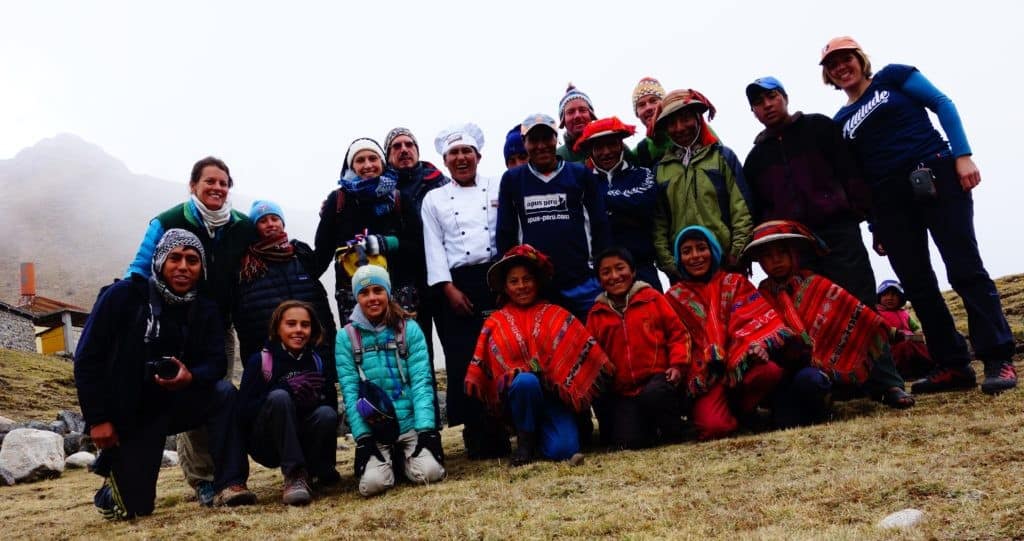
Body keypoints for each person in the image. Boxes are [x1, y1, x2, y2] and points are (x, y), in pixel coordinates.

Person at [821, 36, 1016, 394]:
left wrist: (962, 154)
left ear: (860, 59)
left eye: (846, 59)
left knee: (964, 267)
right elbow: (858, 175)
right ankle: (952, 365)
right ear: (828, 76)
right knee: (918, 284)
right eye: (832, 65)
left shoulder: (893, 77)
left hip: (935, 175)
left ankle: (997, 357)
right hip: (888, 200)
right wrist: (875, 223)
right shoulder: (841, 121)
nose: (840, 67)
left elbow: (942, 103)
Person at [76, 229, 254, 519]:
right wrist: (98, 419)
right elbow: (87, 360)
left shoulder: (205, 308)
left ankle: (231, 483)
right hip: (132, 412)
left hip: (177, 402)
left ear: (201, 269)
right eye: (175, 258)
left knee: (223, 393)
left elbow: (216, 362)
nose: (183, 266)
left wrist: (191, 376)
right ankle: (113, 487)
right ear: (159, 261)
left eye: (192, 260)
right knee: (135, 510)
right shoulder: (123, 296)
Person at [125, 156, 255, 506]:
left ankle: (227, 476)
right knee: (181, 396)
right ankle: (203, 480)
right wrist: (124, 311)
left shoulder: (241, 225)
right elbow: (139, 270)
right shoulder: (167, 221)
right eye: (209, 181)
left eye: (223, 183)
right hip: (170, 323)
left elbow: (264, 246)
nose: (217, 188)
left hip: (218, 326)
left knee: (216, 394)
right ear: (193, 185)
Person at [744, 220, 915, 426]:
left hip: (814, 368)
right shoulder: (760, 296)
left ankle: (825, 397)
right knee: (784, 419)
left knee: (811, 383)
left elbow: (853, 313)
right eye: (768, 256)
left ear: (793, 254)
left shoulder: (816, 284)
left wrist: (890, 331)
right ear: (760, 262)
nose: (776, 260)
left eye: (781, 253)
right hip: (782, 369)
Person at [465, 245, 613, 465]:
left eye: (527, 279)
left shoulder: (558, 315)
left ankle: (547, 436)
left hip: (555, 400)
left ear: (537, 282)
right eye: (514, 281)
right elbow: (488, 372)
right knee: (525, 381)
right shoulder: (495, 323)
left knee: (564, 449)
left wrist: (571, 392)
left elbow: (591, 357)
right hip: (519, 400)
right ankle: (525, 440)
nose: (521, 286)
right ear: (505, 287)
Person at [742, 76, 876, 307]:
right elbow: (759, 210)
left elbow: (851, 173)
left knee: (859, 301)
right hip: (795, 247)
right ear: (753, 111)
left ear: (785, 97)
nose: (767, 104)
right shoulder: (755, 160)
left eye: (772, 96)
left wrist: (857, 214)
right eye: (758, 102)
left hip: (839, 234)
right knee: (813, 310)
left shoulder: (819, 127)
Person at [421, 123, 509, 458]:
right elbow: (434, 246)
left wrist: (505, 282)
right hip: (457, 286)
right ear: (445, 161)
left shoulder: (497, 186)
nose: (461, 158)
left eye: (466, 152)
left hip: (495, 278)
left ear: (478, 156)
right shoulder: (434, 199)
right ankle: (477, 431)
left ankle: (505, 422)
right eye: (454, 153)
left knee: (500, 353)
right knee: (464, 359)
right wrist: (447, 288)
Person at [662, 226, 787, 441]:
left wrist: (755, 347)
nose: (695, 256)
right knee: (715, 428)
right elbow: (674, 340)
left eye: (701, 248)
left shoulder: (735, 283)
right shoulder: (673, 297)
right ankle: (720, 412)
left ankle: (744, 409)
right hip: (703, 376)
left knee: (769, 371)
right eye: (687, 251)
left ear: (713, 250)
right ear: (679, 258)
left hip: (738, 365)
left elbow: (754, 322)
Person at [335, 265, 444, 497]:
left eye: (378, 290)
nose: (372, 298)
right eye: (364, 293)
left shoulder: (410, 329)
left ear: (388, 293)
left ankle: (405, 459)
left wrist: (427, 432)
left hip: (410, 425)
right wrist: (364, 440)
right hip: (375, 431)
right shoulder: (345, 337)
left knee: (430, 473)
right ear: (356, 297)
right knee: (372, 486)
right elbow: (350, 391)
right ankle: (386, 461)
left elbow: (422, 383)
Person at [496, 113, 610, 321]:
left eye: (546, 138)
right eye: (534, 140)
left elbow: (600, 225)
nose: (541, 146)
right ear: (525, 143)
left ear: (556, 139)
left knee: (592, 346)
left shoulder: (580, 174)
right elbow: (505, 233)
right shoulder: (512, 180)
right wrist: (510, 283)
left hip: (583, 284)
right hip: (538, 290)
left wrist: (600, 271)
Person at [237, 300, 339, 506]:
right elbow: (243, 413)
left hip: (302, 437)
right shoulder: (261, 361)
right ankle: (294, 476)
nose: (299, 330)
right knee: (279, 397)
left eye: (305, 324)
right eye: (291, 324)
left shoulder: (317, 361)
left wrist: (312, 400)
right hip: (266, 443)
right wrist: (285, 389)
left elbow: (331, 408)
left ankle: (318, 470)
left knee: (327, 413)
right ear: (277, 327)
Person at [585, 247, 689, 449]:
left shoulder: (653, 298)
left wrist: (677, 365)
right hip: (625, 392)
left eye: (619, 268)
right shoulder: (596, 314)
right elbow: (593, 354)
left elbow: (678, 333)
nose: (614, 276)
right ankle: (648, 429)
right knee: (628, 442)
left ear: (632, 271)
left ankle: (674, 429)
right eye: (606, 272)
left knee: (655, 395)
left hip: (660, 380)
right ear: (599, 279)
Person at [650, 89, 754, 281]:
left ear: (698, 119)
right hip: (683, 270)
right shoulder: (660, 170)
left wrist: (736, 253)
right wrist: (670, 264)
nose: (680, 128)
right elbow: (659, 223)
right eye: (672, 123)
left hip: (726, 263)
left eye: (686, 119)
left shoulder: (722, 157)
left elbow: (741, 208)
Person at [234, 200, 336, 364]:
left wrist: (329, 218)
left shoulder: (301, 254)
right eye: (263, 220)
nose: (270, 224)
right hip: (271, 359)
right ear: (255, 227)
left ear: (282, 222)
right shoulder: (247, 266)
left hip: (316, 351)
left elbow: (326, 251)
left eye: (274, 218)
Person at [314, 138, 402, 323]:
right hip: (352, 295)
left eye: (373, 158)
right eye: (360, 160)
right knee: (356, 349)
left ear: (382, 162)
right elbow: (322, 253)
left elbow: (417, 243)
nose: (367, 165)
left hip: (398, 292)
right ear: (351, 166)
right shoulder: (338, 200)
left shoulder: (398, 198)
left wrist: (385, 244)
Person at [382, 127, 450, 355]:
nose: (404, 150)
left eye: (409, 145)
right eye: (396, 146)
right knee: (416, 351)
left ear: (417, 150)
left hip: (442, 279)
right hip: (403, 282)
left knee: (454, 345)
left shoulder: (441, 183)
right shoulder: (379, 191)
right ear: (388, 155)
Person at [574, 116, 662, 291]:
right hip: (599, 275)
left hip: (642, 269)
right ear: (590, 151)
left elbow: (645, 202)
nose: (606, 152)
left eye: (611, 144)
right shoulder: (581, 182)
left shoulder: (643, 174)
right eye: (599, 147)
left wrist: (600, 201)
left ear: (621, 145)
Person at [876, 280, 934, 379]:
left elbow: (916, 329)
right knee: (905, 346)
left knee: (922, 345)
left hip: (911, 343)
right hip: (891, 350)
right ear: (879, 297)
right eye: (885, 295)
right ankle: (903, 374)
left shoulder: (905, 314)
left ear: (900, 298)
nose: (890, 298)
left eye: (894, 295)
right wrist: (899, 335)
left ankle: (930, 367)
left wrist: (918, 335)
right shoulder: (877, 314)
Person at [630, 77, 670, 169]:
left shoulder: (694, 131)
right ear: (637, 113)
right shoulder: (638, 153)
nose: (648, 108)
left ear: (665, 104)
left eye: (653, 101)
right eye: (641, 105)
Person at [556, 84, 598, 163]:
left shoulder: (612, 146)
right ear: (563, 121)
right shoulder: (557, 158)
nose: (577, 116)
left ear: (592, 115)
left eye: (582, 110)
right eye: (570, 112)